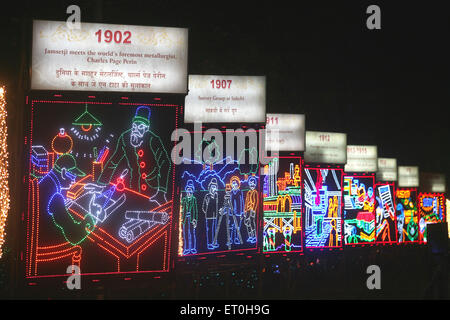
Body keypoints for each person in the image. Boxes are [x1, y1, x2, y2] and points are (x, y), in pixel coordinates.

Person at [97, 106, 171, 204]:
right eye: (135, 126)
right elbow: (113, 162)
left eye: (140, 127)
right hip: (134, 186)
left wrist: (161, 191)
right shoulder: (124, 138)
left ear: (146, 129)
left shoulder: (154, 140)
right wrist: (101, 183)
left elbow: (165, 163)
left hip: (153, 189)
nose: (136, 129)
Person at [39, 154, 96, 245]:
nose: (74, 181)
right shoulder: (56, 197)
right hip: (47, 238)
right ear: (63, 172)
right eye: (73, 176)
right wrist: (89, 219)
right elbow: (74, 236)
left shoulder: (46, 182)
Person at [181, 180, 198, 255]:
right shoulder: (184, 200)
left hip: (191, 219)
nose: (189, 193)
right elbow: (181, 209)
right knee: (185, 234)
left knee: (192, 233)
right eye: (188, 191)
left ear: (192, 191)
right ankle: (187, 248)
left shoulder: (194, 199)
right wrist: (181, 219)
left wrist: (195, 220)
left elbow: (195, 210)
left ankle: (193, 248)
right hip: (185, 219)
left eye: (190, 191)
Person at [202, 178, 219, 249]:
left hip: (215, 215)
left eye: (215, 187)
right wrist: (207, 212)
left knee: (214, 229)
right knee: (209, 230)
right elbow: (203, 206)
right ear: (210, 188)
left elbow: (217, 205)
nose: (213, 188)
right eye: (212, 187)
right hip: (209, 216)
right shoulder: (207, 196)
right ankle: (209, 243)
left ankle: (214, 242)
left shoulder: (216, 196)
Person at [230, 176, 244, 245]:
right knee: (231, 226)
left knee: (237, 227)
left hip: (238, 213)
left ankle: (236, 239)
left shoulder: (240, 192)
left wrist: (242, 213)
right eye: (233, 183)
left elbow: (242, 202)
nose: (234, 185)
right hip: (232, 213)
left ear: (238, 184)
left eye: (235, 183)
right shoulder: (231, 192)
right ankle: (230, 239)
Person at [244, 176, 258, 243]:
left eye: (253, 184)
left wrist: (254, 210)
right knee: (246, 222)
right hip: (248, 210)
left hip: (252, 210)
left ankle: (254, 237)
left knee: (252, 222)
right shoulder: (248, 192)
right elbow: (246, 202)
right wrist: (245, 210)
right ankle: (250, 236)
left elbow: (255, 202)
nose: (252, 185)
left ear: (255, 184)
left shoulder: (255, 192)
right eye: (251, 184)